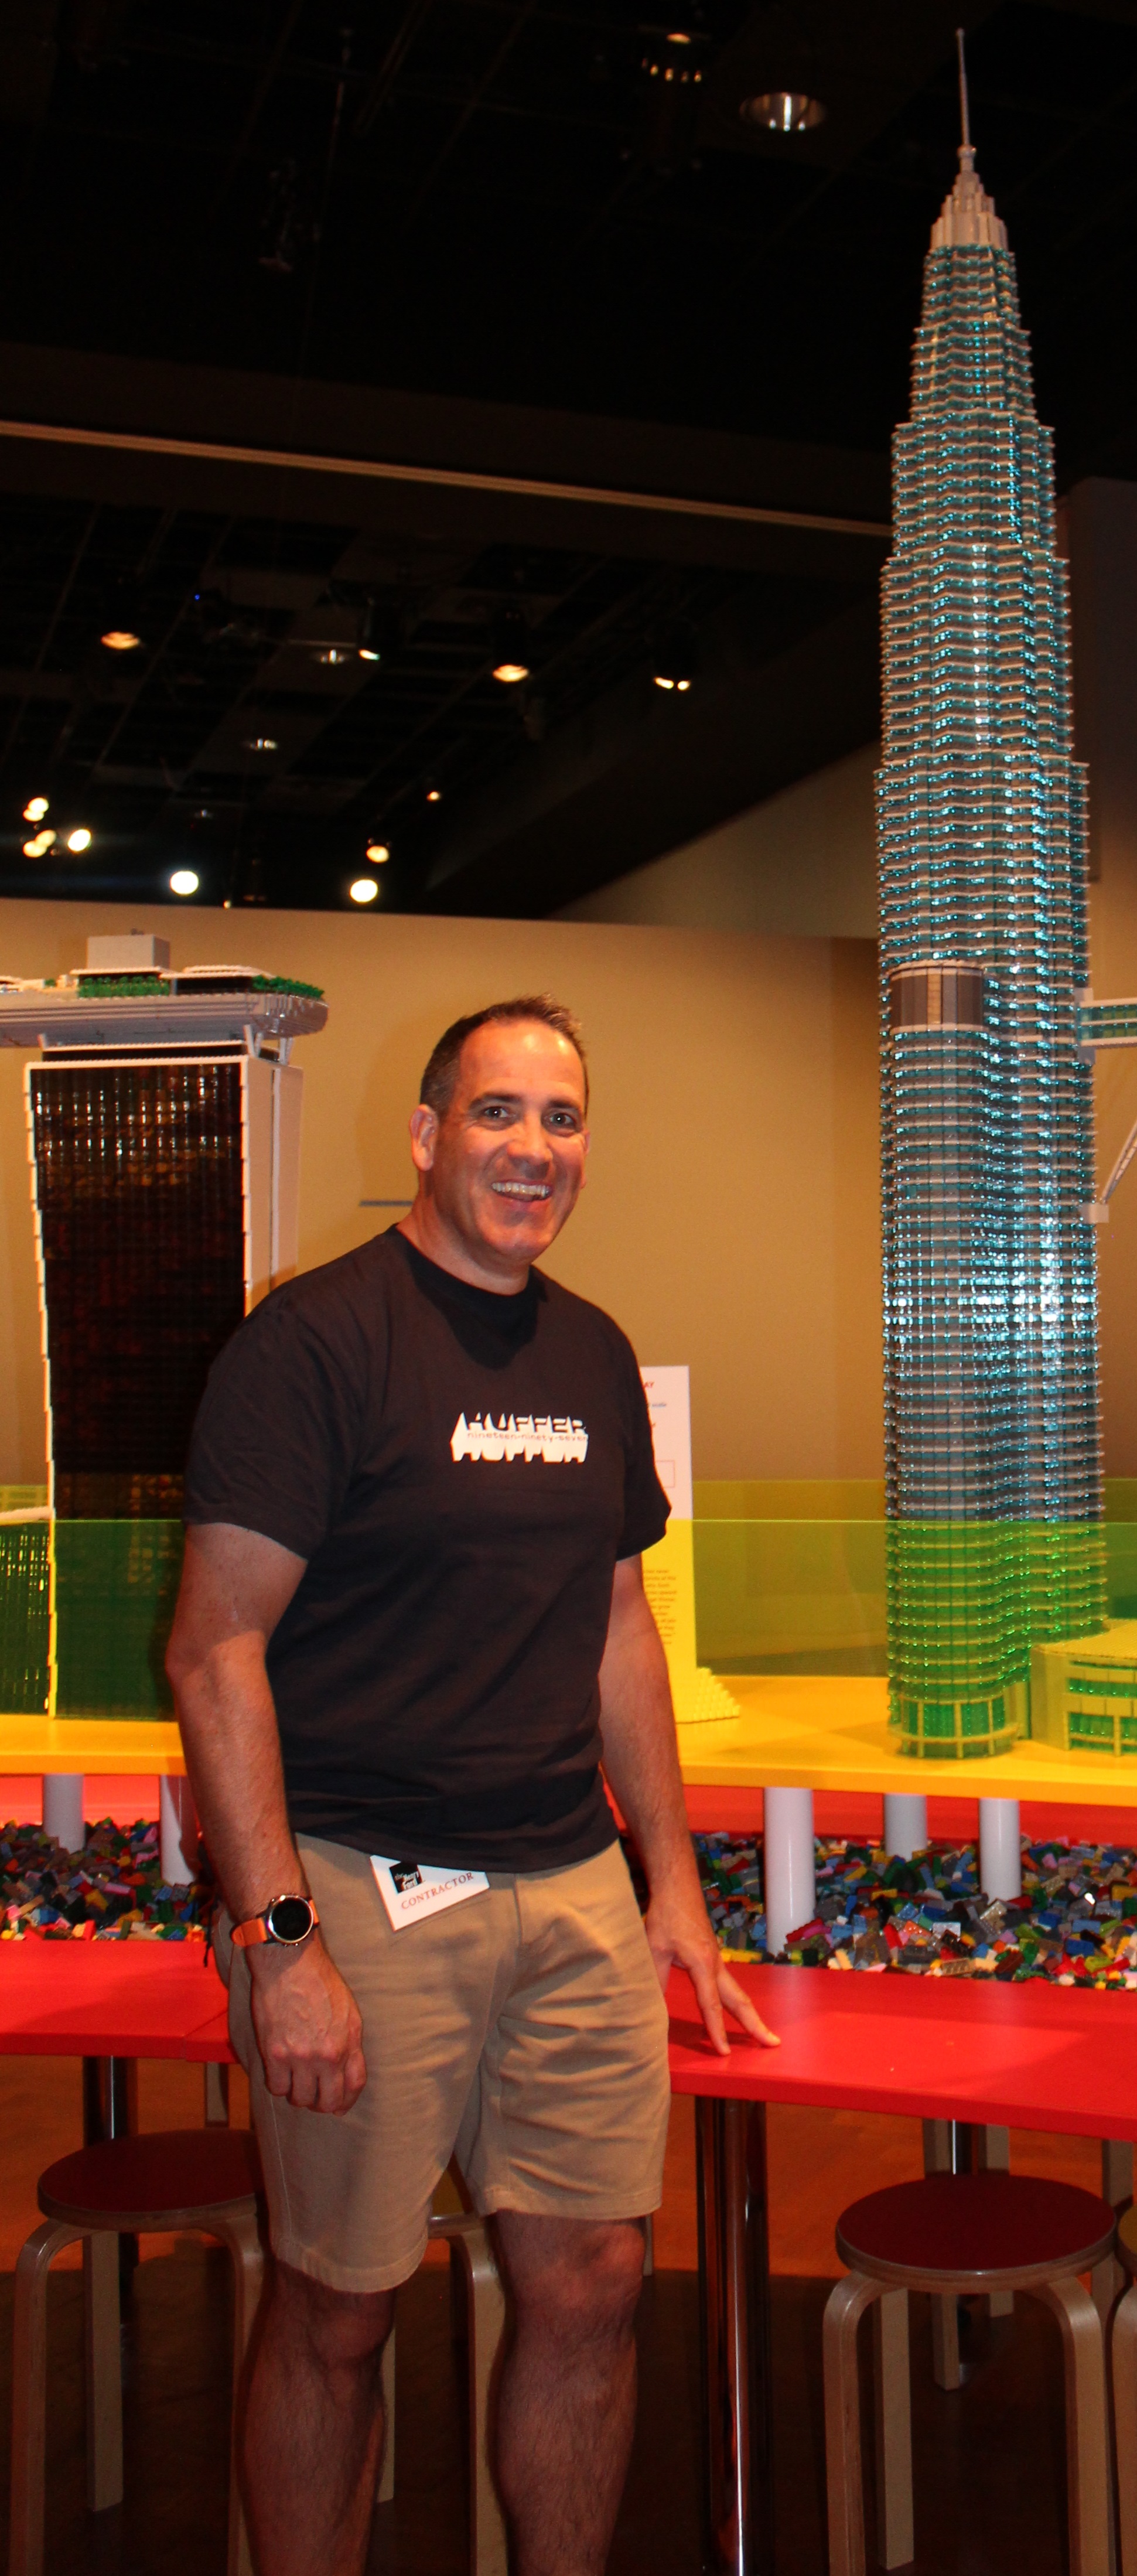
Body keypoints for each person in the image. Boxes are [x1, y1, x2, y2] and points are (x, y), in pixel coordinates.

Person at [169, 994, 774, 2576]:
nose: (532, 1149)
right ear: (429, 1138)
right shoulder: (309, 1346)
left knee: (593, 2282)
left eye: (562, 1120)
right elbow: (214, 1653)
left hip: (566, 1883)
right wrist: (282, 1941)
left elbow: (620, 1623)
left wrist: (674, 1887)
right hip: (360, 1886)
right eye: (497, 1115)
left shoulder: (590, 1352)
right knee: (338, 2309)